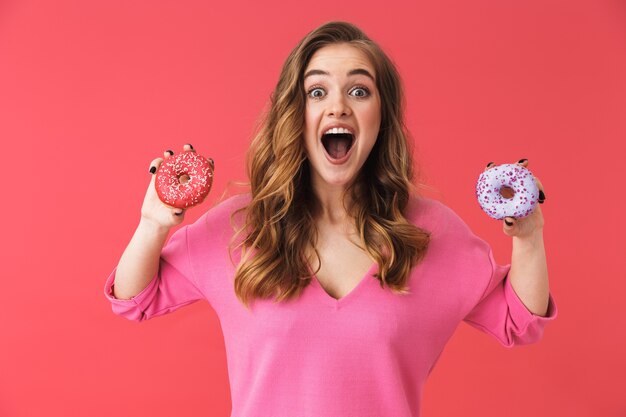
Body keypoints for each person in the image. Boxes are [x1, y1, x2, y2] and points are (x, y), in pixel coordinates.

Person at [104, 21, 557, 417]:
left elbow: (520, 320)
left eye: (359, 91)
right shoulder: (241, 227)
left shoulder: (430, 233)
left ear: (382, 116)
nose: (337, 106)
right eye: (317, 91)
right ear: (295, 113)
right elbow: (134, 298)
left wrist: (530, 236)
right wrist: (153, 223)